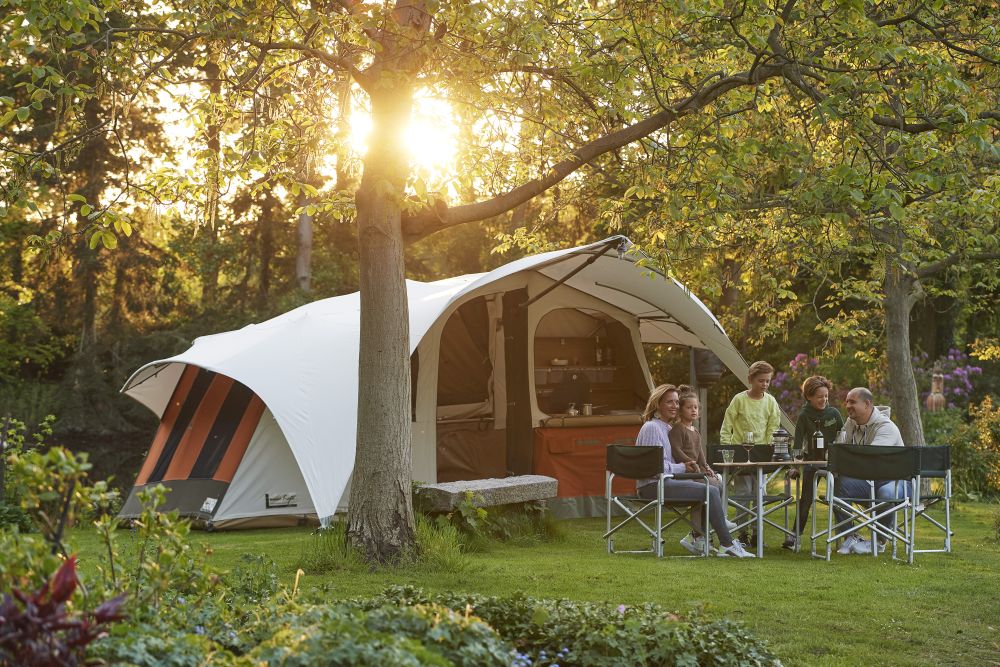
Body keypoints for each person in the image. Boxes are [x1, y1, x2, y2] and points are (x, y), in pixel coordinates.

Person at [636, 383, 753, 558]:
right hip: (652, 485)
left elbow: (684, 458)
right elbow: (653, 468)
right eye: (669, 402)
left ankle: (697, 537)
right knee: (710, 490)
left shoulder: (668, 428)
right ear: (657, 404)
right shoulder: (652, 427)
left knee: (712, 485)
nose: (674, 406)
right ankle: (727, 544)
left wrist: (700, 469)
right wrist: (683, 467)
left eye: (676, 402)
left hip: (668, 481)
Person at [835, 387, 907, 555]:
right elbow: (838, 450)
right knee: (838, 485)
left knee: (887, 493)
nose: (847, 405)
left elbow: (869, 460)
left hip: (897, 482)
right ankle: (849, 536)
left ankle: (879, 542)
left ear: (867, 404)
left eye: (852, 402)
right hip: (870, 481)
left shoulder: (886, 428)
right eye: (847, 402)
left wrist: (846, 457)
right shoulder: (851, 423)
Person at [719, 360, 782, 542]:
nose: (764, 384)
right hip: (740, 453)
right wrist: (727, 448)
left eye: (767, 381)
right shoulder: (739, 400)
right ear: (750, 380)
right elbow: (727, 426)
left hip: (762, 454)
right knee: (743, 495)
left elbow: (773, 427)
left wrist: (769, 447)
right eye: (761, 381)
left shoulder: (770, 402)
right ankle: (741, 532)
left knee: (759, 495)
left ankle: (757, 532)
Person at [783, 375, 844, 549]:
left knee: (839, 497)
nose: (824, 400)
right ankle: (794, 536)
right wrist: (795, 466)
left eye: (826, 396)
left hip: (833, 462)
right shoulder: (804, 415)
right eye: (819, 397)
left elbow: (843, 435)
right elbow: (798, 442)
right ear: (809, 396)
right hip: (811, 461)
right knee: (806, 499)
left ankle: (847, 535)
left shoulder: (834, 413)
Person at [668, 386, 720, 489]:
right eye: (689, 407)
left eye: (695, 407)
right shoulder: (678, 428)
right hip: (686, 472)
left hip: (697, 471)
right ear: (680, 411)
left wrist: (706, 466)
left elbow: (700, 452)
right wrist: (691, 463)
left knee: (718, 483)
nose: (693, 410)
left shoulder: (695, 431)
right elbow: (676, 450)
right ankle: (706, 505)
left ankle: (710, 505)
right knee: (713, 485)